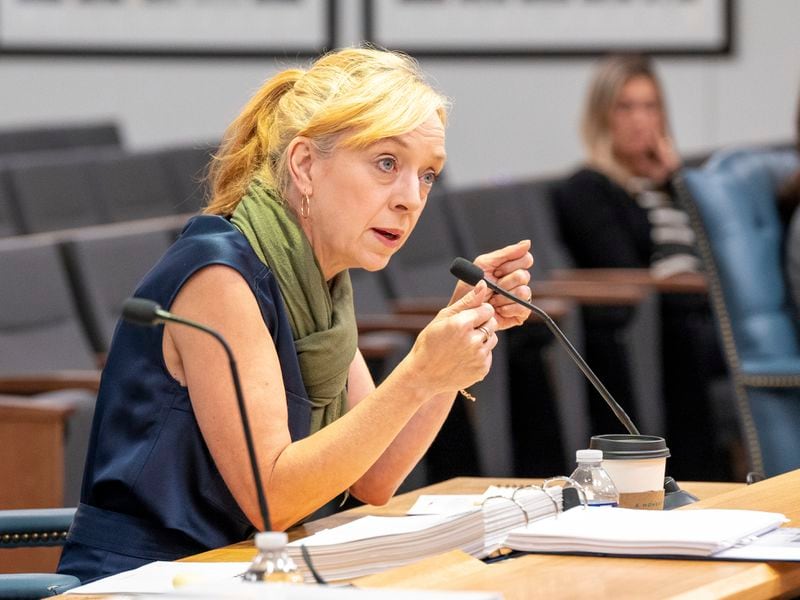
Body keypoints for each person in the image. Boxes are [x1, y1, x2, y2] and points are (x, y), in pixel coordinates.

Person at [57, 47, 533, 582]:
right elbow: (273, 498)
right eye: (386, 164)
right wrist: (420, 371)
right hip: (145, 579)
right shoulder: (219, 275)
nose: (410, 198)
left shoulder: (319, 283)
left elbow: (374, 478)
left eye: (427, 175)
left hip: (244, 573)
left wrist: (451, 345)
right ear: (305, 165)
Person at [553, 54, 728, 480]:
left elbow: (719, 247)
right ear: (602, 116)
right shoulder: (588, 187)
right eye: (625, 107)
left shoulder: (672, 183)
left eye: (650, 107)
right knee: (697, 337)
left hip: (701, 315)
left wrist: (676, 182)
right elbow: (623, 266)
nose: (639, 120)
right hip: (654, 323)